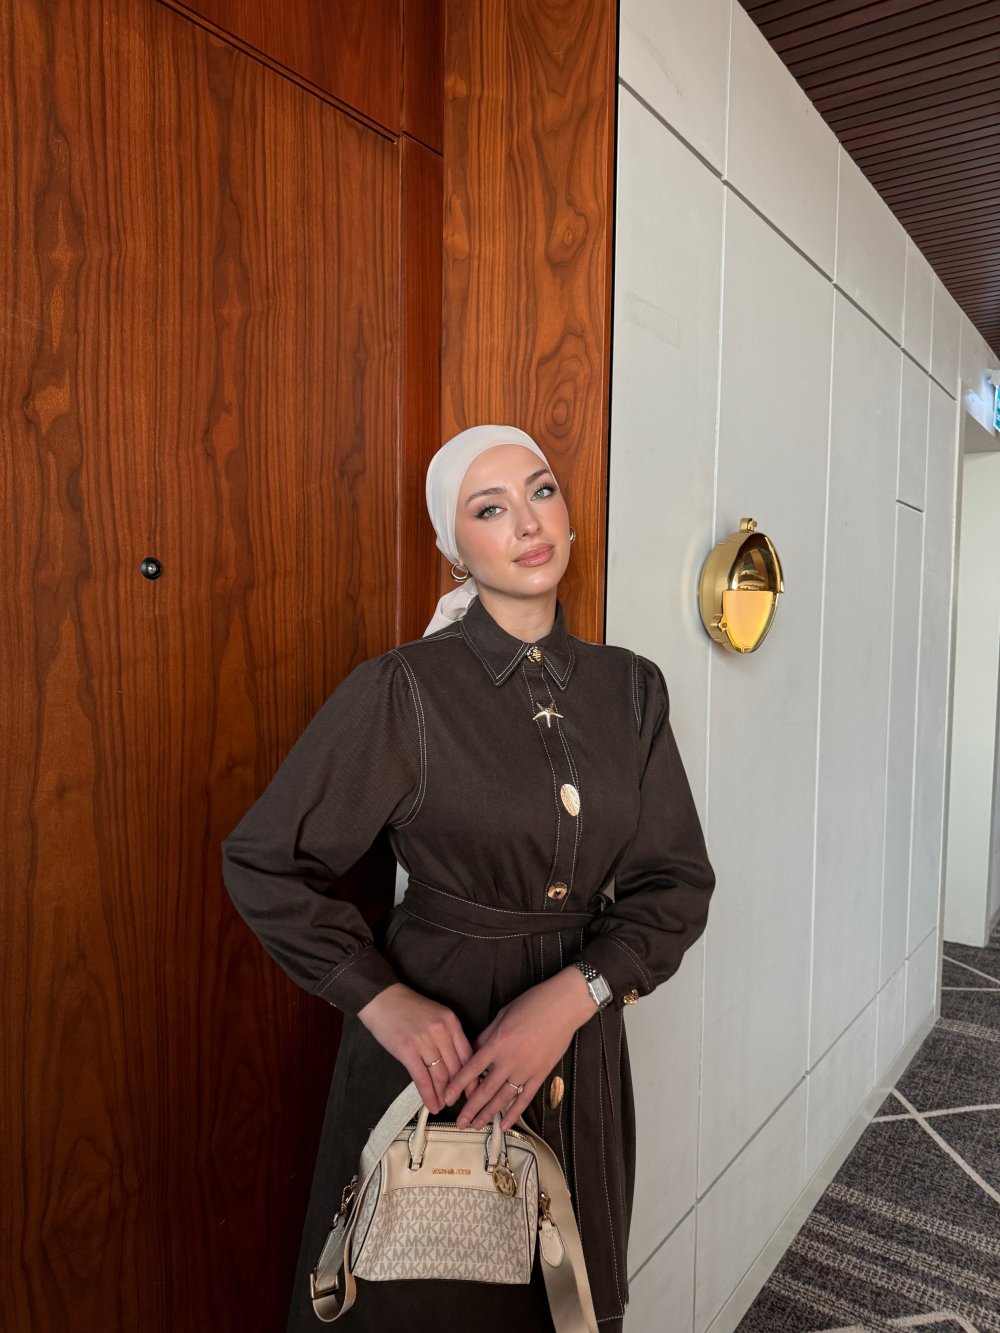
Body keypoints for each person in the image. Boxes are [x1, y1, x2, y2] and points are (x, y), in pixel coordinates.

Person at [221, 424, 717, 1332]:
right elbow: (263, 859)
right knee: (430, 1300)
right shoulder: (402, 690)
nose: (527, 521)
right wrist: (379, 998)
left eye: (541, 491)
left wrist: (573, 995)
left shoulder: (631, 689)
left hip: (581, 1053)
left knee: (564, 1297)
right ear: (455, 549)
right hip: (440, 1063)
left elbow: (676, 886)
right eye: (489, 508)